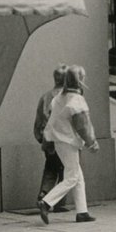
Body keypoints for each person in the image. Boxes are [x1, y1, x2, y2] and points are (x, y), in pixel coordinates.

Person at [37, 65, 100, 224]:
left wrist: (47, 140)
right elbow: (83, 126)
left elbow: (51, 120)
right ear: (80, 81)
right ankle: (46, 202)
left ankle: (82, 212)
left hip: (58, 140)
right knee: (72, 177)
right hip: (69, 141)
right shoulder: (76, 100)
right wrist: (92, 143)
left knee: (78, 177)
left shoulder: (59, 98)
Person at [33, 65, 70, 212]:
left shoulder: (45, 97)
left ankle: (44, 193)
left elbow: (38, 120)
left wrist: (40, 137)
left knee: (50, 167)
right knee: (66, 170)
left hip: (48, 138)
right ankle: (58, 201)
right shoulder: (68, 97)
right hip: (64, 138)